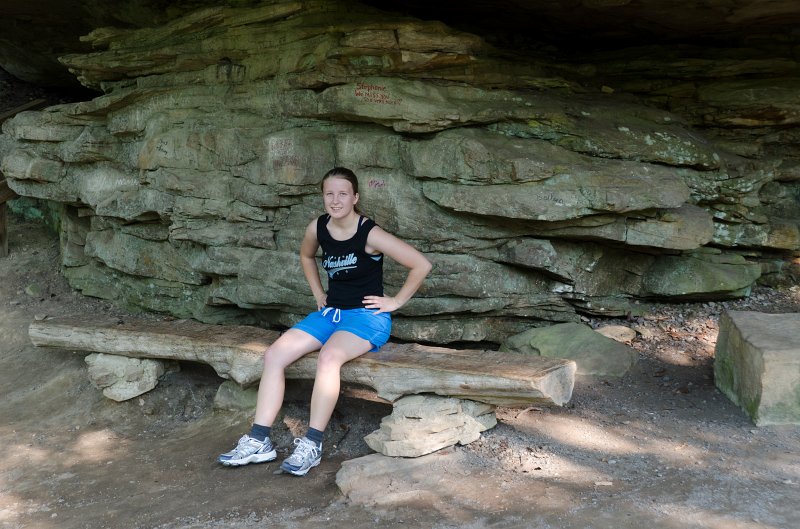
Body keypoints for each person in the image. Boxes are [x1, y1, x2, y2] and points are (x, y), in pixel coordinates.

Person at [218, 167, 432, 476]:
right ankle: (259, 440)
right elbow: (307, 257)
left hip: (366, 319)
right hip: (330, 314)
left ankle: (312, 444)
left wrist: (395, 302)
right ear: (323, 197)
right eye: (329, 193)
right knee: (274, 355)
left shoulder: (369, 232)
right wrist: (319, 292)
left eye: (343, 193)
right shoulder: (317, 228)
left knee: (329, 357)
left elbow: (420, 264)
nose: (335, 200)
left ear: (355, 197)